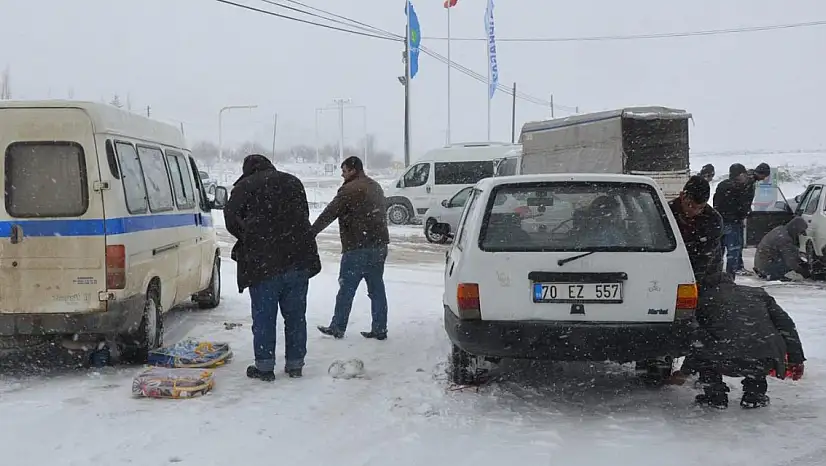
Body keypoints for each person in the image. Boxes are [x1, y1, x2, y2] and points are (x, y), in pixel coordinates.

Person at [224, 154, 321, 382]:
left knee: (264, 316)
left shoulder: (244, 187)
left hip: (263, 263)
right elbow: (303, 215)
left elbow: (230, 219)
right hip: (298, 258)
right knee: (295, 315)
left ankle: (265, 367)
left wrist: (250, 236)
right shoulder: (293, 182)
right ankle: (295, 364)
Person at [671, 272, 805, 409]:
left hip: (720, 358)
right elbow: (786, 325)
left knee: (708, 344)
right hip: (761, 357)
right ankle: (754, 395)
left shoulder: (704, 298)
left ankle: (715, 395)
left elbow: (696, 336)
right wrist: (796, 359)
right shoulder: (758, 294)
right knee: (758, 343)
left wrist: (685, 372)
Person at [313, 156, 390, 340]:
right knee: (377, 289)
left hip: (357, 245)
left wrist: (311, 232)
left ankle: (338, 327)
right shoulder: (375, 186)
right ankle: (380, 328)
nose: (342, 174)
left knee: (346, 289)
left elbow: (330, 213)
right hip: (379, 245)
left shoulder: (349, 190)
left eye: (344, 170)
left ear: (353, 170)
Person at [713, 163, 771, 277]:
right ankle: (731, 275)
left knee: (720, 250)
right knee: (733, 250)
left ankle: (717, 274)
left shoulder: (723, 185)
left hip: (721, 221)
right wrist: (743, 214)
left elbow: (716, 203)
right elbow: (743, 204)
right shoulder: (743, 186)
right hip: (732, 222)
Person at [669, 176, 724, 286]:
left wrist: (695, 281)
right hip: (671, 270)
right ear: (682, 196)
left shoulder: (713, 219)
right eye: (690, 205)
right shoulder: (667, 213)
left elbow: (706, 254)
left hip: (707, 272)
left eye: (700, 208)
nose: (695, 212)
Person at [753, 216, 810, 281]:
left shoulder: (781, 230)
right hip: (766, 267)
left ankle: (771, 273)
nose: (800, 235)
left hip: (761, 265)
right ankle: (774, 275)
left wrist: (800, 262)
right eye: (800, 232)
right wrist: (804, 272)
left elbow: (792, 254)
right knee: (788, 264)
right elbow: (791, 261)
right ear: (796, 229)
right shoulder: (784, 239)